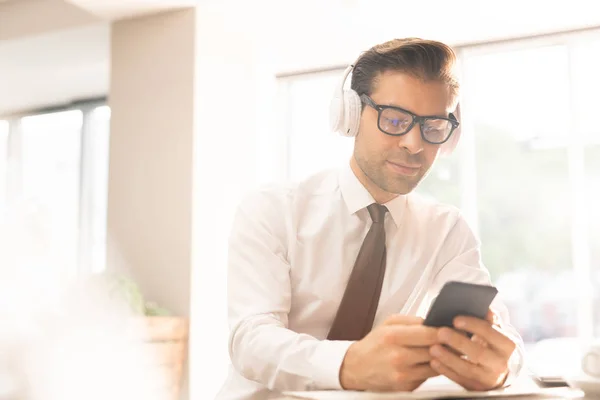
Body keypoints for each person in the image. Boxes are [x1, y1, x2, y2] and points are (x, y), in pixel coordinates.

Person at [216, 38, 524, 400]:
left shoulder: (446, 231)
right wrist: (349, 364)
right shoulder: (273, 209)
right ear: (349, 116)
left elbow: (504, 335)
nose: (414, 143)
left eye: (434, 126)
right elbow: (251, 341)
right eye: (394, 119)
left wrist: (503, 366)